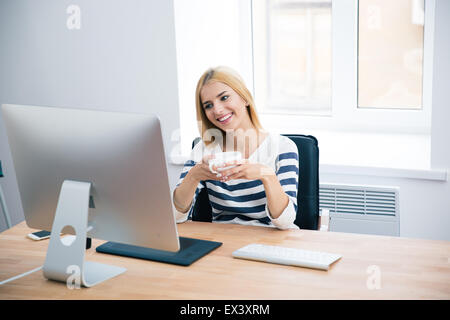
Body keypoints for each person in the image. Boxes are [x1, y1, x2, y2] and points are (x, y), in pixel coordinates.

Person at [173, 66, 299, 229]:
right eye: (208, 105)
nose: (217, 110)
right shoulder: (204, 149)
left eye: (224, 97)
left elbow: (286, 222)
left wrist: (266, 175)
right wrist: (193, 176)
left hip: (272, 240)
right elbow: (176, 216)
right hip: (224, 240)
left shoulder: (282, 147)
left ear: (245, 98)